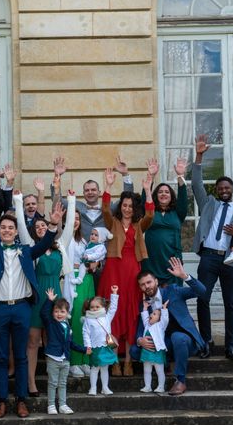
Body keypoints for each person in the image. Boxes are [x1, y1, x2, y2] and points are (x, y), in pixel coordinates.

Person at [0, 205, 63, 419]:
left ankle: (21, 400)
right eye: (4, 228)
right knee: (1, 358)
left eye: (11, 227)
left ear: (17, 231)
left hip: (22, 308)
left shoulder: (27, 251)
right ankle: (1, 401)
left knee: (20, 357)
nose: (7, 230)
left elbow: (47, 242)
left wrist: (53, 224)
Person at [192, 134, 233, 360]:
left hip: (231, 260)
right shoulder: (208, 204)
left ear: (232, 188)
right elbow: (196, 184)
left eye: (227, 187)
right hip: (209, 258)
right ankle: (206, 342)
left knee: (231, 303)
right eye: (220, 188)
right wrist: (199, 155)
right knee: (203, 298)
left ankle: (231, 347)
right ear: (217, 190)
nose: (223, 190)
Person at [13, 189, 75, 398]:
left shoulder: (60, 247)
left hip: (55, 299)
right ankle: (31, 383)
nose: (40, 227)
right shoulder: (31, 247)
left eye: (44, 225)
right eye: (37, 226)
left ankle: (54, 383)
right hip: (37, 298)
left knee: (54, 340)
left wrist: (72, 200)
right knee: (32, 341)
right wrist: (18, 200)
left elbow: (67, 230)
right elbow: (21, 225)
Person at [98, 169, 154, 376]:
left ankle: (129, 360)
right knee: (111, 315)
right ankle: (114, 361)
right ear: (120, 207)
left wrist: (148, 190)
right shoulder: (111, 221)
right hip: (113, 269)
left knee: (131, 314)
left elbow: (150, 214)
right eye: (124, 205)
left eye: (131, 206)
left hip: (132, 271)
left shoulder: (140, 225)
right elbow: (104, 209)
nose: (128, 209)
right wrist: (108, 186)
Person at [132, 258, 207, 396]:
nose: (146, 286)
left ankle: (180, 380)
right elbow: (141, 327)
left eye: (149, 282)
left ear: (156, 281)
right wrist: (139, 340)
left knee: (177, 337)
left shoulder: (173, 290)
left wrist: (184, 276)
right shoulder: (144, 304)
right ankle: (166, 363)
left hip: (183, 338)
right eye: (142, 285)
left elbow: (202, 291)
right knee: (135, 350)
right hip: (162, 341)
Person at [141, 158, 189, 287]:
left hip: (172, 258)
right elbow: (144, 200)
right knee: (151, 294)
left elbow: (183, 198)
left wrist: (180, 176)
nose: (163, 194)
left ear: (171, 196)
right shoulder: (150, 212)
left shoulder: (177, 213)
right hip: (151, 258)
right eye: (160, 192)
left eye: (167, 192)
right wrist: (150, 176)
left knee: (173, 296)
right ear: (155, 195)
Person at [40, 288, 86, 415]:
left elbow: (70, 343)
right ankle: (51, 405)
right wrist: (49, 301)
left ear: (67, 313)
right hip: (53, 357)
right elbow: (44, 314)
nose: (59, 314)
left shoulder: (67, 326)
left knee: (62, 383)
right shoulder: (51, 323)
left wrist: (84, 350)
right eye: (56, 311)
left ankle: (62, 404)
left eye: (62, 311)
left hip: (65, 359)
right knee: (52, 382)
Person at [63, 210, 96, 378]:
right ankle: (74, 361)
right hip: (72, 279)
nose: (75, 221)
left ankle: (85, 360)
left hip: (87, 280)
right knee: (75, 319)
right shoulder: (64, 238)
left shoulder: (83, 240)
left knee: (88, 319)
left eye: (77, 218)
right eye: (71, 218)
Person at [82, 289, 119, 396]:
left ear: (103, 307)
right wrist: (88, 346)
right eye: (92, 307)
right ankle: (93, 388)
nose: (94, 309)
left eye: (97, 307)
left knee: (105, 368)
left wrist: (114, 294)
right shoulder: (88, 320)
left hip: (105, 346)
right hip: (94, 348)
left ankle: (105, 387)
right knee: (94, 368)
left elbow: (113, 309)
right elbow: (86, 334)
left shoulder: (106, 317)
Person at [139, 299, 169, 393]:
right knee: (146, 370)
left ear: (159, 319)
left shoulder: (160, 326)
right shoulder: (147, 325)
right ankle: (147, 386)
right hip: (147, 351)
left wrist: (164, 310)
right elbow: (145, 317)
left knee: (159, 370)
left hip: (157, 352)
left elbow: (165, 320)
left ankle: (161, 387)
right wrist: (145, 308)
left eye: (155, 314)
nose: (151, 315)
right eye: (152, 313)